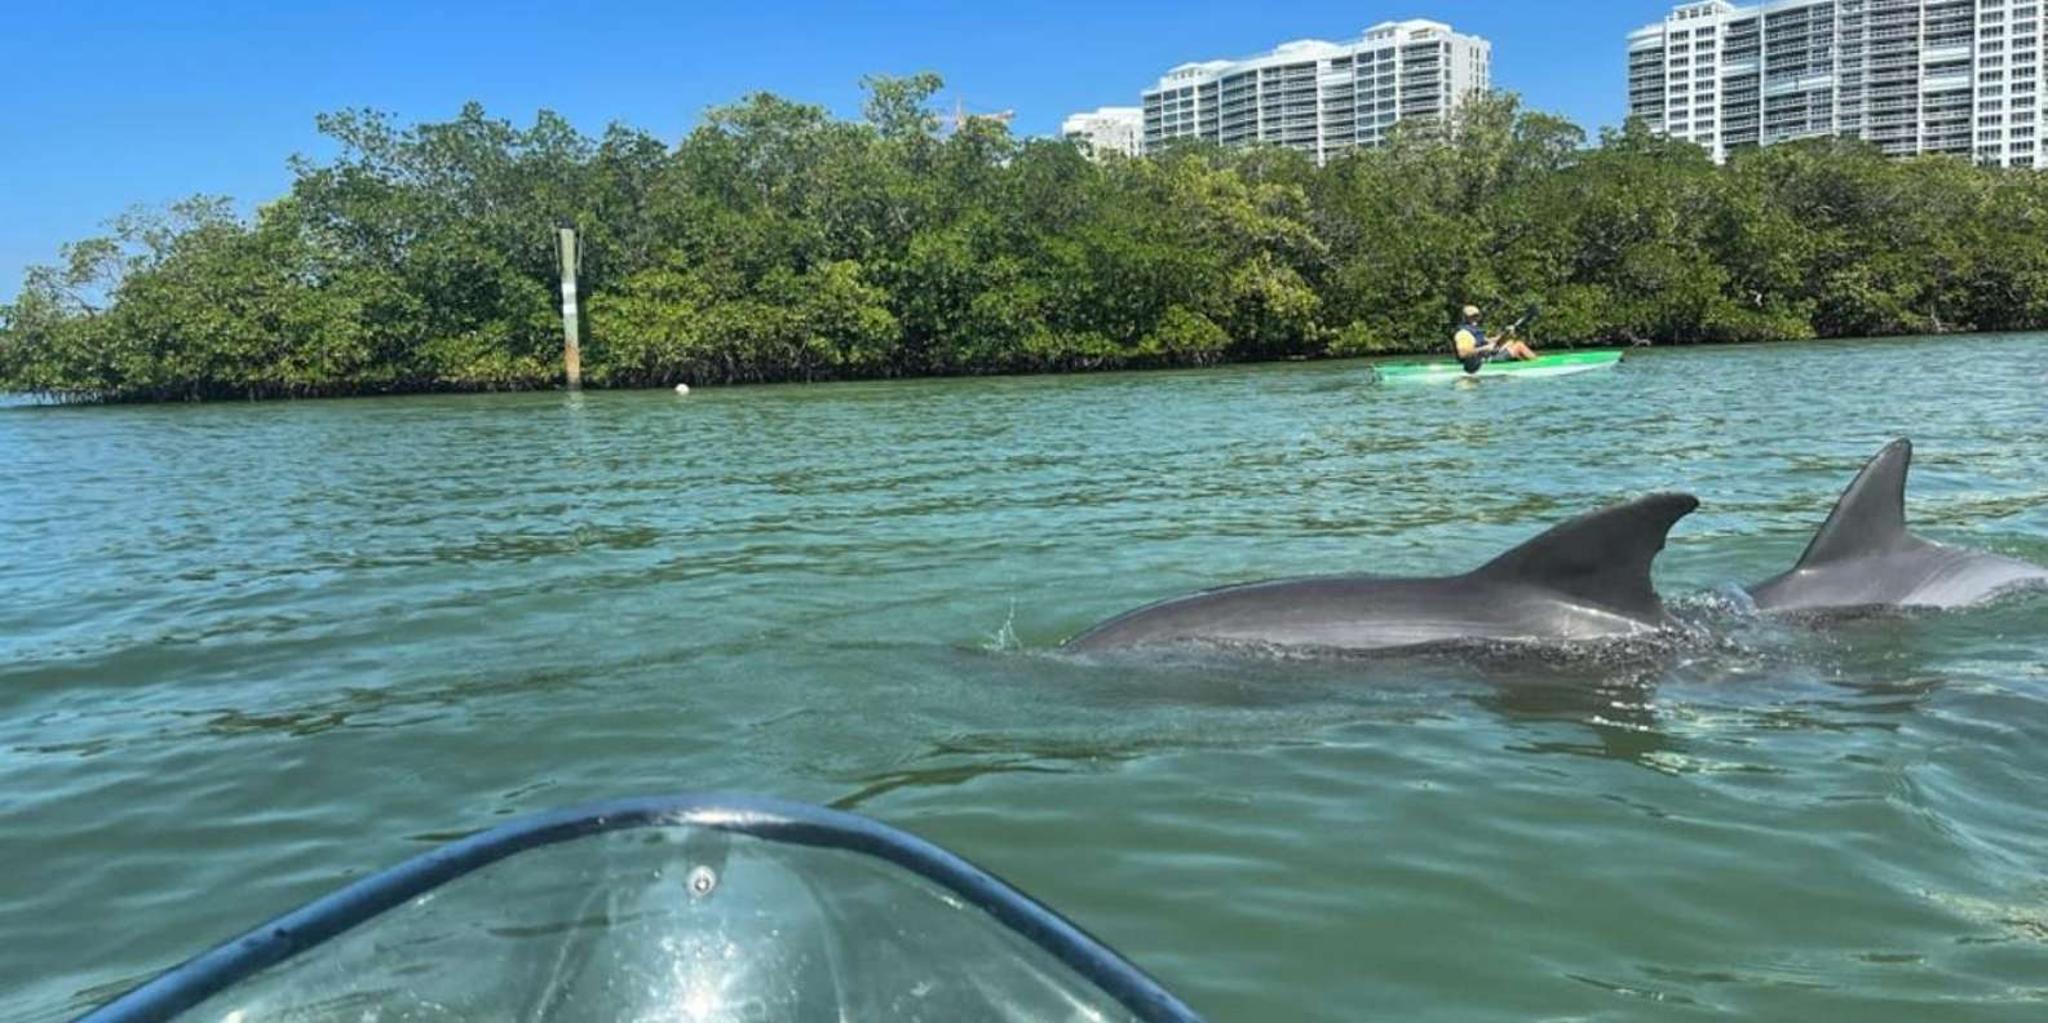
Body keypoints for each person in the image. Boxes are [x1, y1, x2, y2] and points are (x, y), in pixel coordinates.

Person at [1452, 305, 1537, 374]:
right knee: (1519, 346)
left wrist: (1505, 333)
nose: (1475, 318)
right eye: (1471, 316)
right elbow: (1463, 353)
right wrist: (1484, 348)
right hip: (1477, 363)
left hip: (1486, 356)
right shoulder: (1463, 333)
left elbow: (1491, 341)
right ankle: (1536, 364)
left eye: (1476, 316)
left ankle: (1527, 363)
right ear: (1465, 318)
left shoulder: (1474, 330)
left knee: (1511, 343)